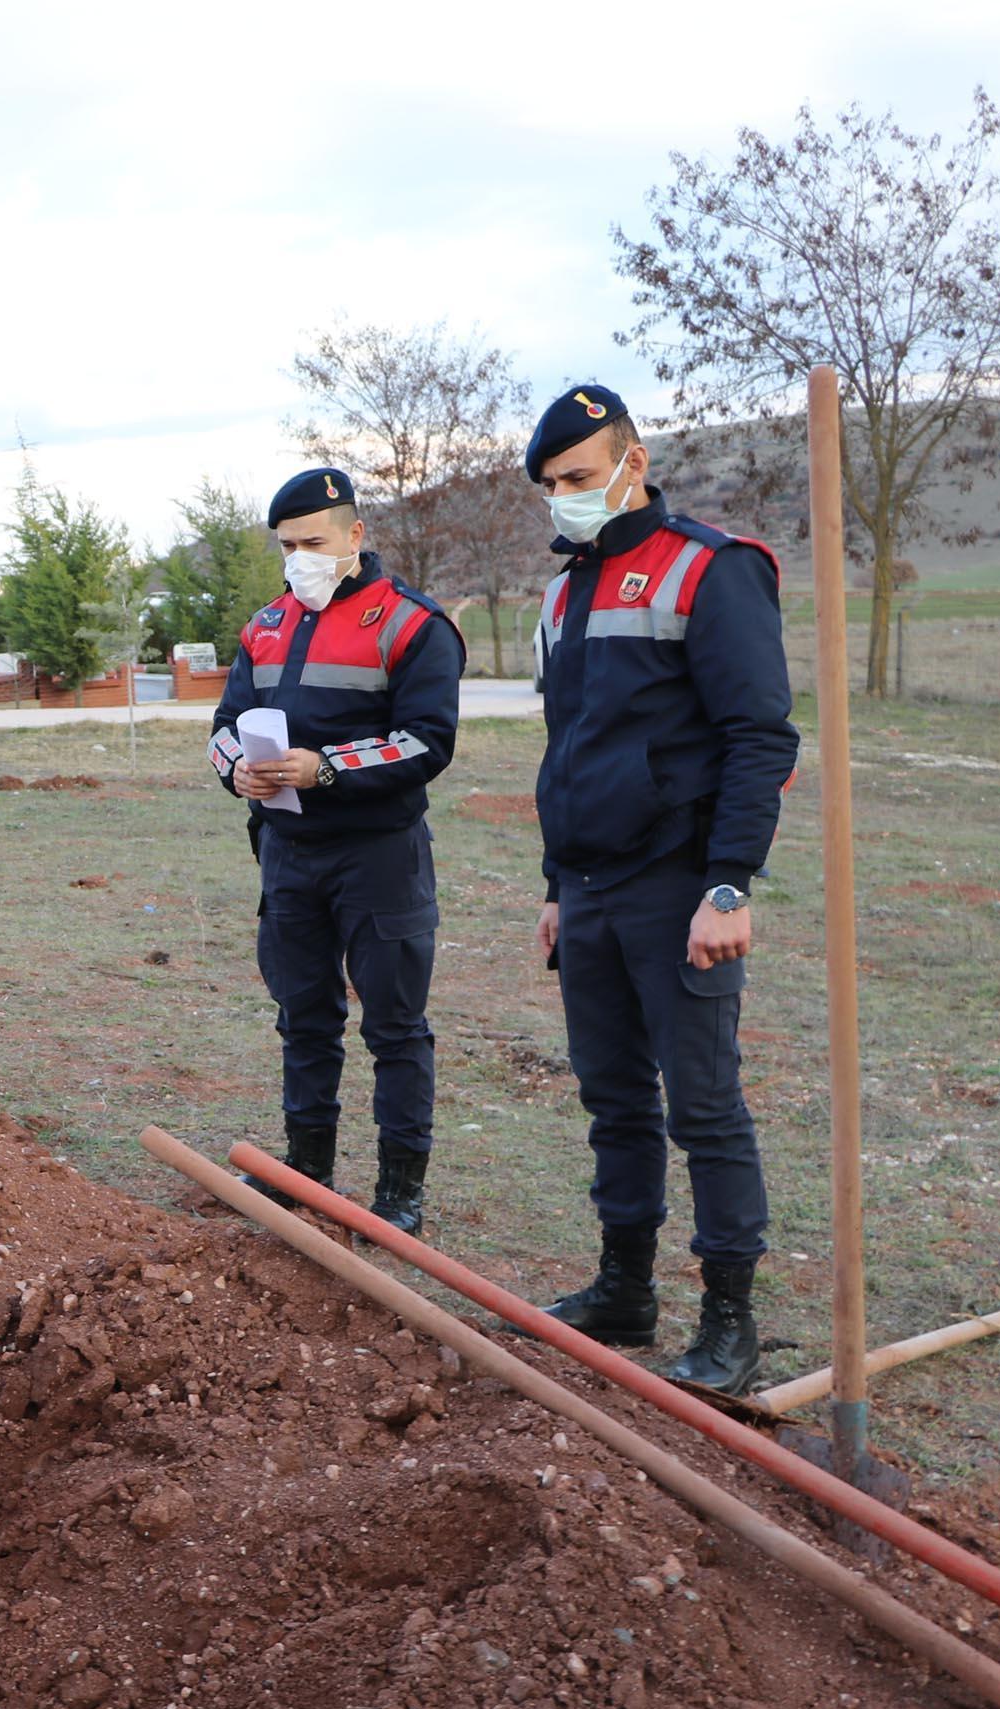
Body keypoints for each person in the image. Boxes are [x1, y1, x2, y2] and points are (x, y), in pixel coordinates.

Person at [524, 384, 798, 1395]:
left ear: (633, 461)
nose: (565, 497)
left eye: (580, 477)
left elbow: (757, 736)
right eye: (552, 485)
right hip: (589, 890)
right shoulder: (563, 594)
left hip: (679, 884)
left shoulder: (708, 570)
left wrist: (730, 883)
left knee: (707, 1108)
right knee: (613, 1101)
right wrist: (557, 882)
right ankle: (625, 1287)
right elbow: (570, 747)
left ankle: (729, 1319)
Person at [209, 467, 465, 1234]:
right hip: (288, 853)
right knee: (304, 1016)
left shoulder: (413, 625)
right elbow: (224, 725)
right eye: (287, 546)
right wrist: (238, 771)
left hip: (379, 856)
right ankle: (306, 1174)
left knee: (394, 1026)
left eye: (313, 542)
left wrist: (327, 769)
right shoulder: (265, 626)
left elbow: (428, 741)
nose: (300, 559)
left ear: (356, 535)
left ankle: (399, 1192)